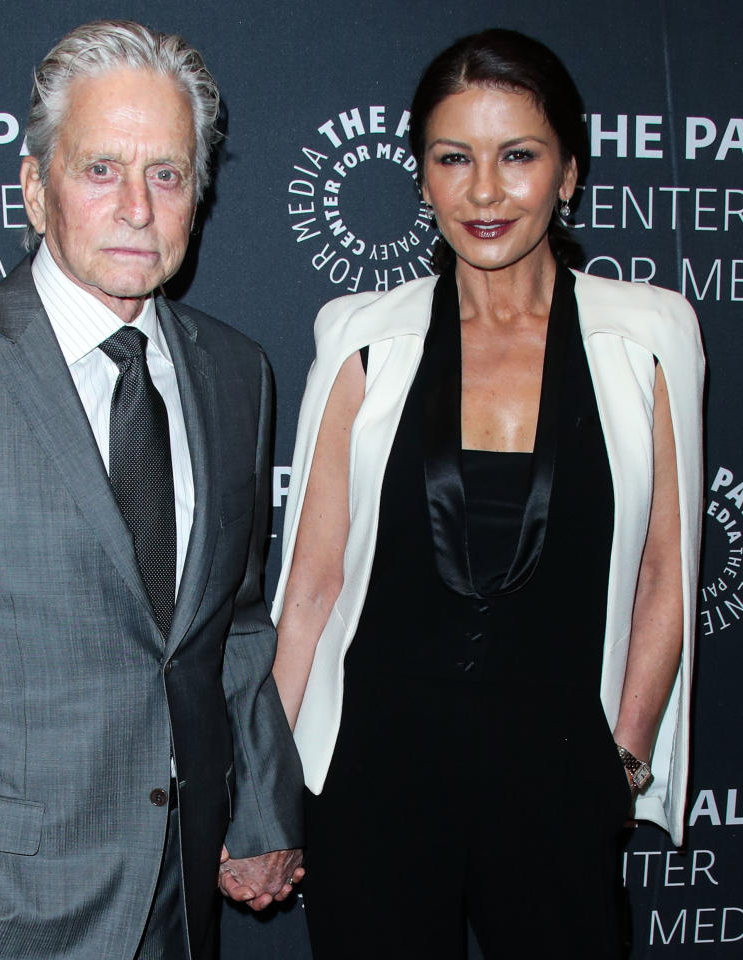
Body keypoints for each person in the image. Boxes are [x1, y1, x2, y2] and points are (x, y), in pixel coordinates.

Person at [0, 19, 303, 960]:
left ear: (198, 195)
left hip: (178, 894)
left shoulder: (239, 373)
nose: (138, 208)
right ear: (37, 189)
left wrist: (264, 803)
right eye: (100, 169)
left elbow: (235, 626)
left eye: (167, 173)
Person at [271, 28, 703, 960]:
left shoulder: (649, 335)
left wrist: (620, 762)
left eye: (518, 156)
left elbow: (667, 573)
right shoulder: (361, 337)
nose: (484, 191)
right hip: (373, 777)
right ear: (422, 178)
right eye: (453, 157)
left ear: (569, 173)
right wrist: (266, 784)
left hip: (560, 781)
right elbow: (310, 584)